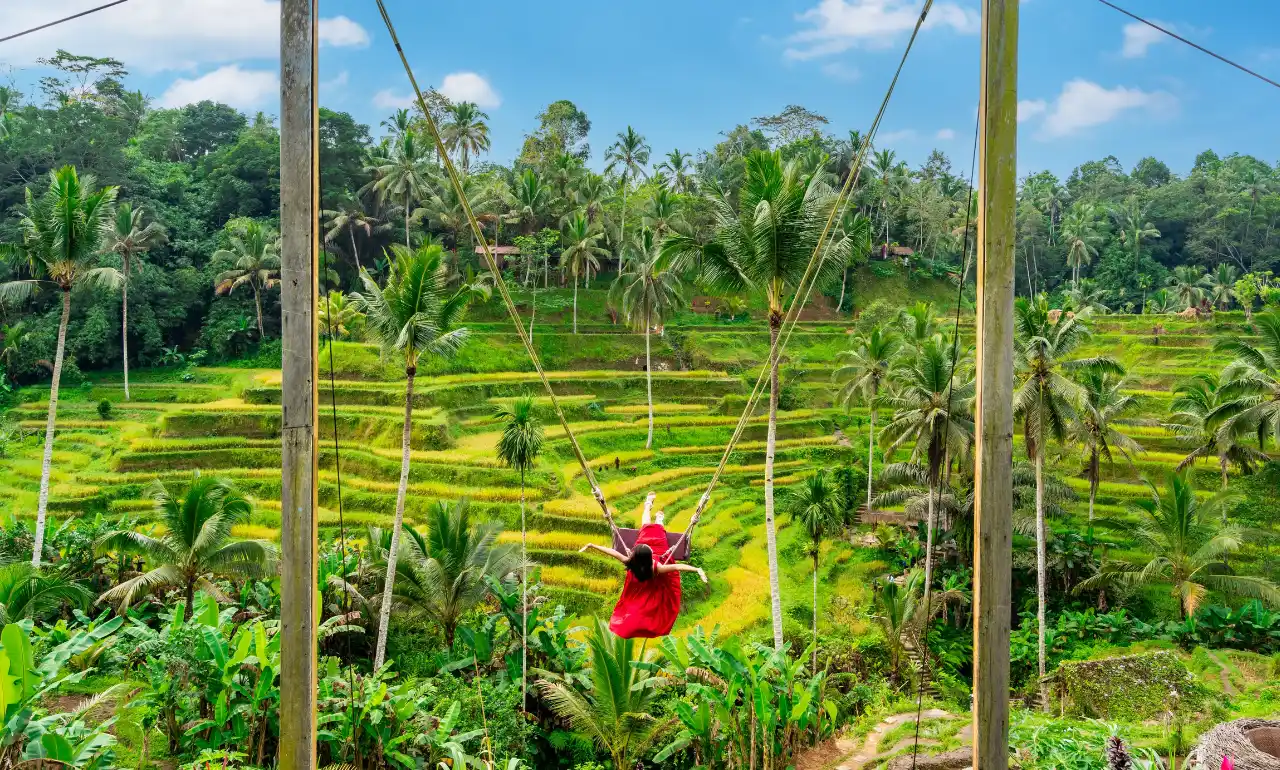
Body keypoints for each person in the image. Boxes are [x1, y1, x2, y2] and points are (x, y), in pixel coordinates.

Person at [579, 493, 706, 639]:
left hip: (645, 544)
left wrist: (592, 545)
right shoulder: (656, 567)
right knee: (658, 531)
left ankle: (648, 504)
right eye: (648, 550)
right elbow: (678, 568)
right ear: (647, 556)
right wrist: (696, 569)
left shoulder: (631, 561)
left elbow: (612, 552)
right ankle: (659, 519)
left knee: (645, 526)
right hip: (661, 549)